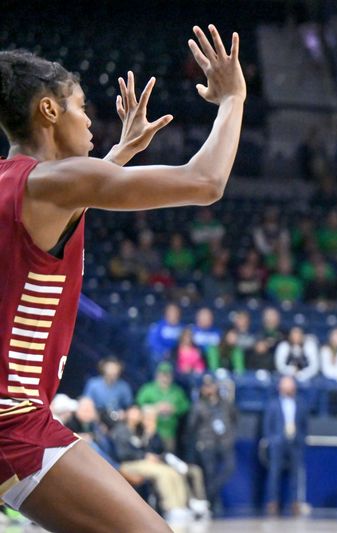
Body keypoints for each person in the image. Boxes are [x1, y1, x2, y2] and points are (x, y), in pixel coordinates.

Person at [0, 24, 244, 531]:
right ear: (48, 110)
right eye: (81, 107)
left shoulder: (18, 185)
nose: (90, 121)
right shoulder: (56, 183)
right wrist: (233, 99)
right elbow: (205, 182)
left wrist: (117, 158)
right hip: (13, 422)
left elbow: (56, 210)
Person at [187, 374, 237, 514]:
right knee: (209, 473)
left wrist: (231, 436)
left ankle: (208, 497)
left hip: (225, 442)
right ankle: (213, 504)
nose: (209, 389)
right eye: (206, 386)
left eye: (211, 385)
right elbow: (192, 426)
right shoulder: (198, 405)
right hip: (207, 443)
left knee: (229, 468)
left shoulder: (225, 404)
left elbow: (234, 419)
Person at [263, 375, 309, 516]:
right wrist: (272, 439)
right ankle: (273, 502)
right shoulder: (273, 403)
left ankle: (295, 502)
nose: (288, 388)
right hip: (278, 443)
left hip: (295, 442)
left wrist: (301, 438)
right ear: (280, 387)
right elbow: (267, 424)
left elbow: (304, 424)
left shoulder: (300, 403)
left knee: (296, 474)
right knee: (274, 473)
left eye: (291, 384)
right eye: (286, 384)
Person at [136, 362, 191, 453]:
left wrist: (174, 409)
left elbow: (185, 406)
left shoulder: (177, 391)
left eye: (168, 375)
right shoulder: (148, 389)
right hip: (151, 432)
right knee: (151, 456)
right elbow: (139, 404)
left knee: (168, 456)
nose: (165, 377)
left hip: (169, 432)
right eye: (162, 374)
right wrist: (155, 408)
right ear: (157, 375)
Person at [82, 356, 134, 423]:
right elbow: (86, 402)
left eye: (115, 368)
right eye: (110, 368)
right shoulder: (93, 384)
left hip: (116, 421)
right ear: (103, 368)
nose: (112, 371)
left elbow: (129, 406)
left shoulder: (124, 386)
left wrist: (124, 414)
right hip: (95, 419)